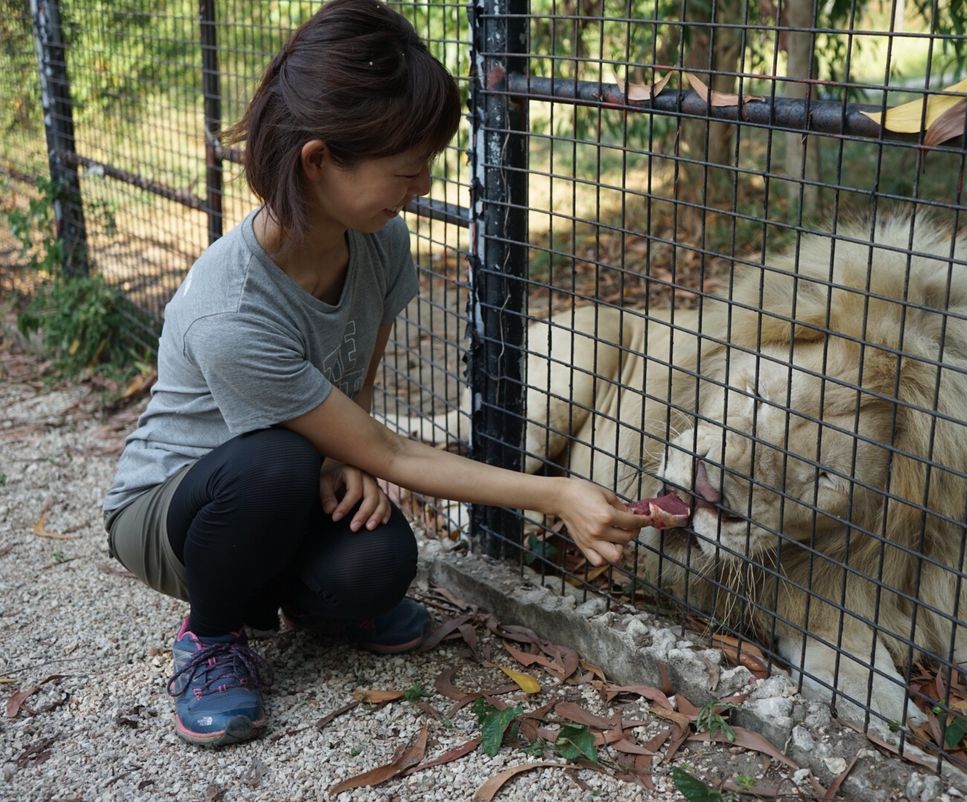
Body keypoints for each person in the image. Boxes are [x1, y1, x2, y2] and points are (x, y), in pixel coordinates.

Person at [102, 0, 649, 748]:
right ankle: (211, 635)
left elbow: (356, 383)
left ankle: (295, 597)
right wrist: (556, 493)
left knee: (381, 563)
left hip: (295, 475)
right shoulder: (228, 312)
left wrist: (339, 451)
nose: (422, 184)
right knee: (274, 463)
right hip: (174, 512)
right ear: (319, 162)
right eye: (407, 168)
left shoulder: (381, 240)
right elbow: (387, 454)